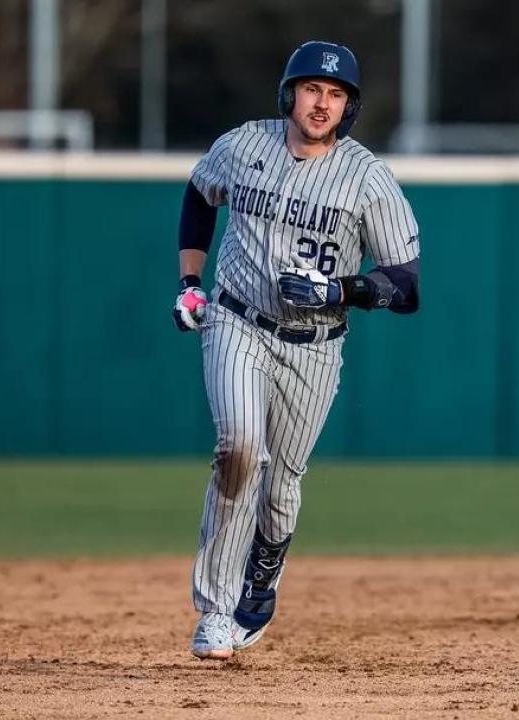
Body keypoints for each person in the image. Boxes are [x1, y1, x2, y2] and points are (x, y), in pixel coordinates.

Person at [171, 40, 420, 660]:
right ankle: (215, 609)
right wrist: (188, 283)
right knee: (238, 450)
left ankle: (265, 564)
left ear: (348, 108)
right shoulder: (243, 145)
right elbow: (200, 197)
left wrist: (341, 288)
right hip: (236, 320)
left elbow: (407, 286)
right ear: (291, 93)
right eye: (313, 89)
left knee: (280, 488)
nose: (322, 103)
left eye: (336, 95)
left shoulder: (367, 179)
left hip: (315, 345)